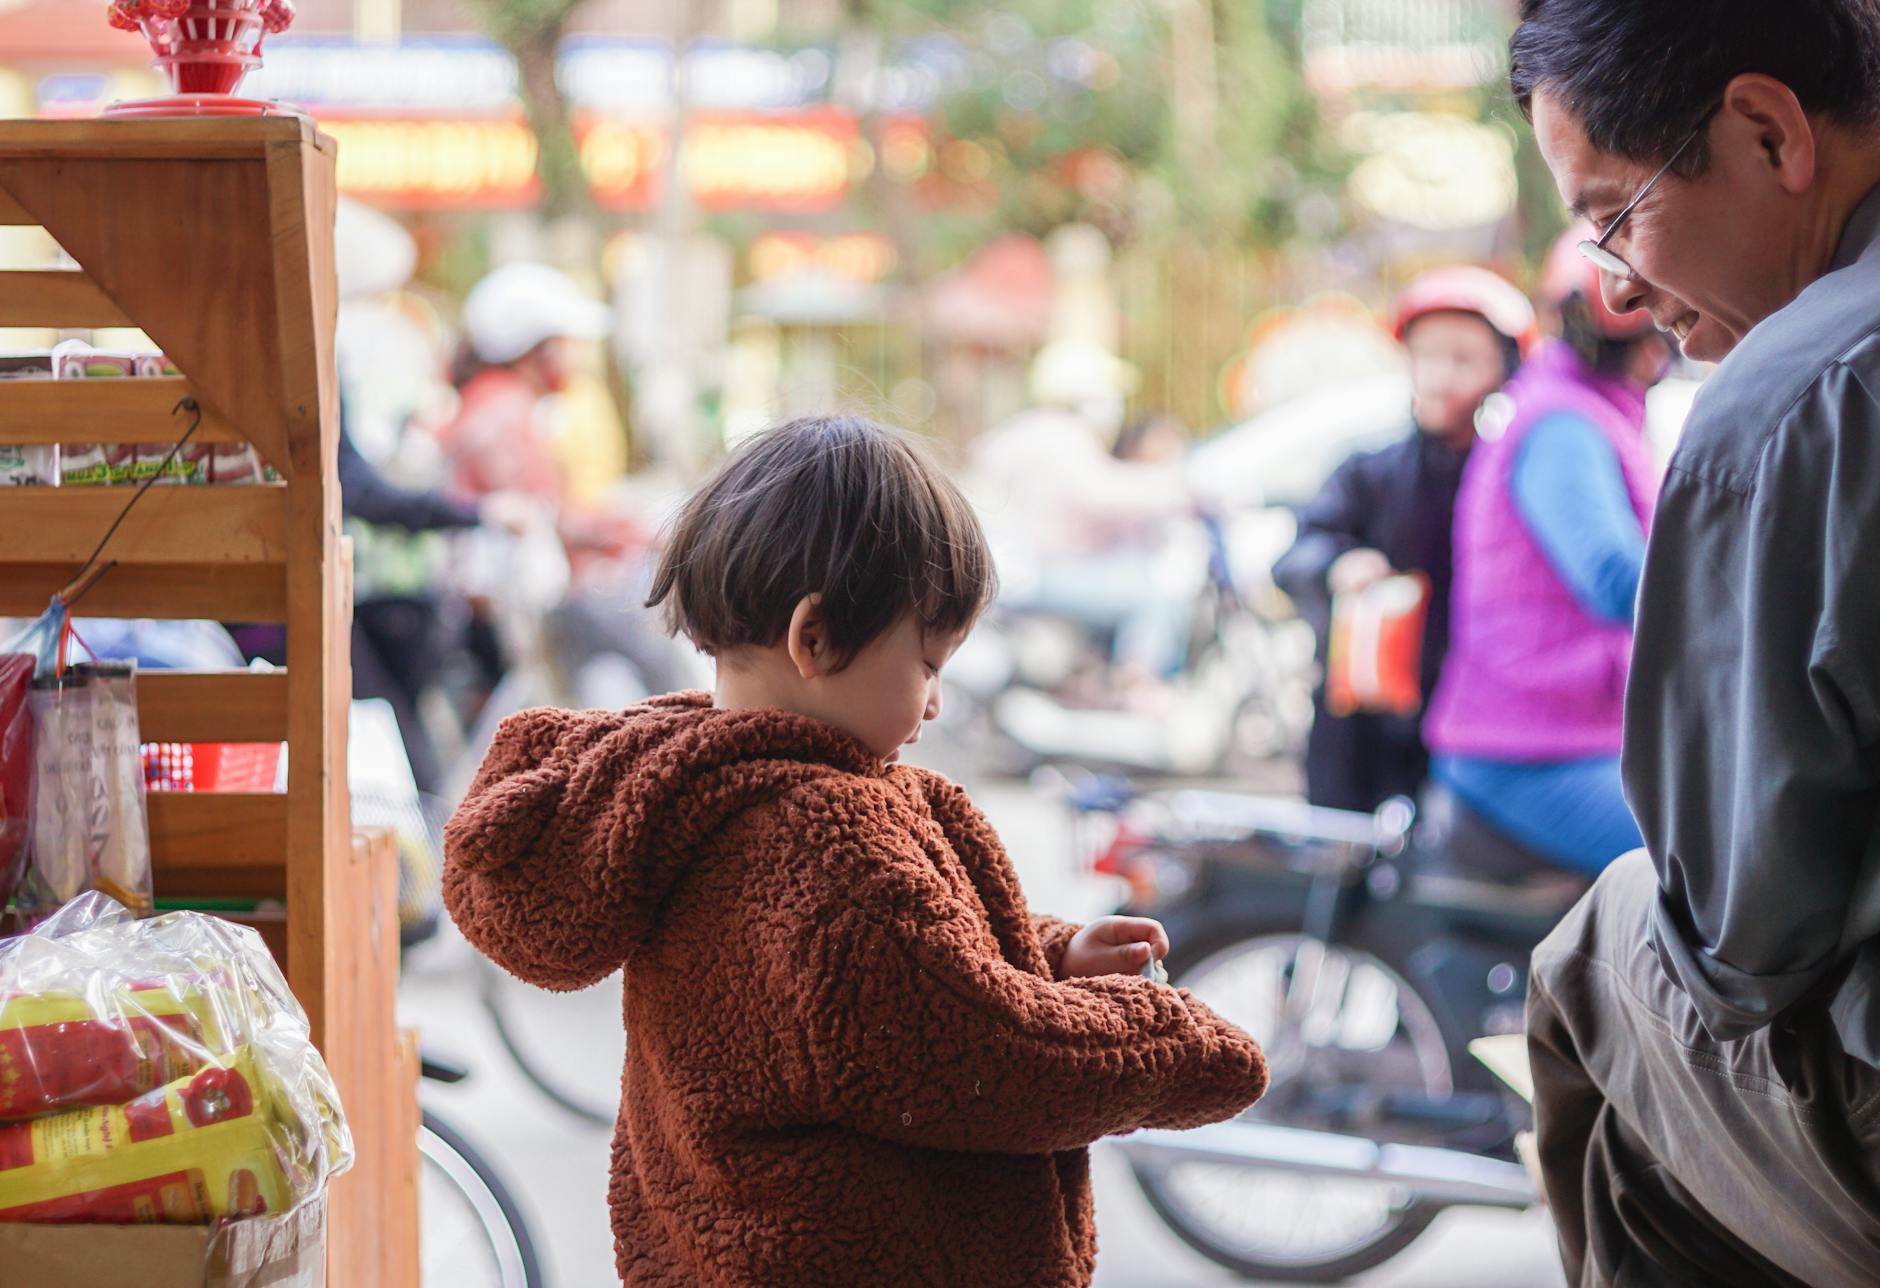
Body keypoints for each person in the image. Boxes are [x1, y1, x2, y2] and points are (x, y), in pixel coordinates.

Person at [443, 416, 1267, 1288]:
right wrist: (1179, 1042)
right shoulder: (822, 848)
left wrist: (1049, 954)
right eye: (928, 664)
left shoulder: (703, 792)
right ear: (818, 638)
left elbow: (902, 973)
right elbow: (984, 1054)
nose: (938, 704)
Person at [1507, 3, 1880, 1284]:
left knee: (1597, 961)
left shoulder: (1791, 399)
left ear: (1767, 131)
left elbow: (1741, 941)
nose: (1614, 284)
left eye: (1615, 213)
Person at [1422, 232, 1673, 876]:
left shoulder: (1583, 410)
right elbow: (1616, 578)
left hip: (1568, 734)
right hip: (1525, 756)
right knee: (1723, 866)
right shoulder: (1562, 424)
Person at [1273, 267, 1537, 812]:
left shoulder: (1518, 477)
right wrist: (1339, 565)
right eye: (1428, 356)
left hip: (1472, 717)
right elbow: (1296, 554)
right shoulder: (1368, 471)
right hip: (1362, 716)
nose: (1441, 376)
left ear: (1505, 369)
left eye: (1463, 359)